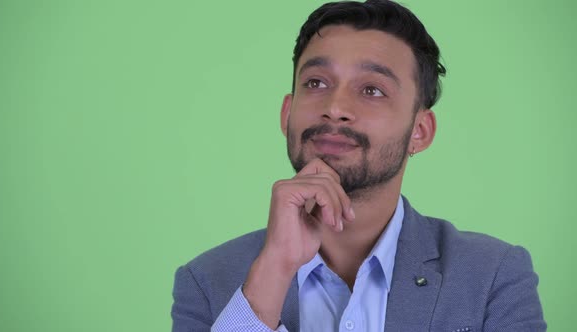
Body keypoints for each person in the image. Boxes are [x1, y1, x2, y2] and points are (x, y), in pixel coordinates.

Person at [171, 0, 546, 331]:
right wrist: (274, 270)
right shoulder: (206, 282)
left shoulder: (492, 277)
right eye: (316, 82)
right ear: (287, 113)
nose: (335, 107)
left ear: (420, 131)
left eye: (372, 90)